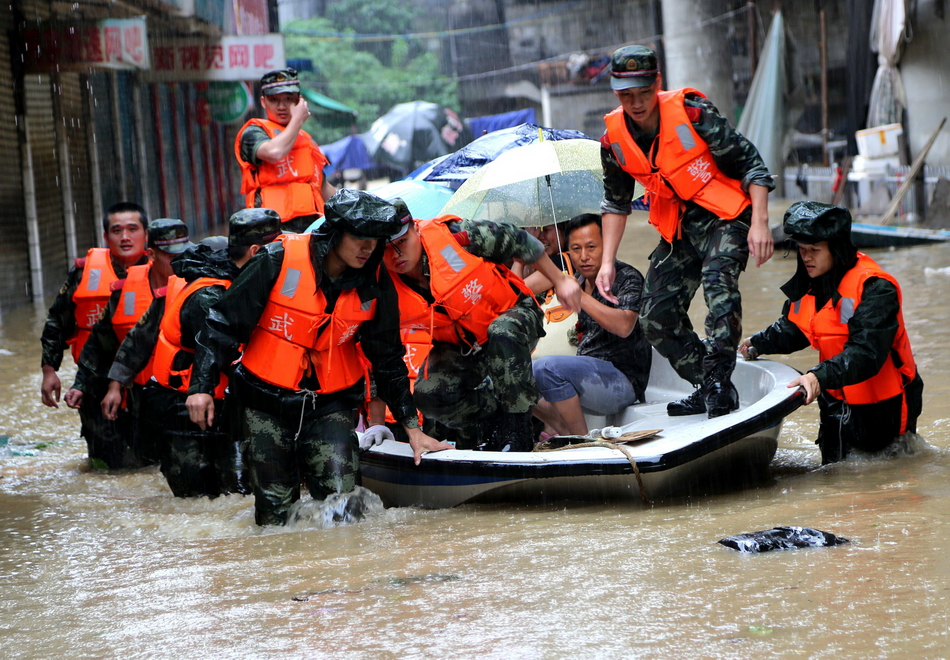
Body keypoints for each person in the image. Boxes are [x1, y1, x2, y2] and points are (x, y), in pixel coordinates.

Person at [184, 190, 451, 526]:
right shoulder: (275, 259)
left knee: (344, 508)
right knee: (275, 518)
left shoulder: (376, 281)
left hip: (330, 404)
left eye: (375, 240)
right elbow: (222, 325)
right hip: (265, 401)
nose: (368, 248)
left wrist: (411, 426)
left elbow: (387, 358)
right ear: (336, 232)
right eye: (359, 237)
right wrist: (201, 387)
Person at [595, 45, 775, 419]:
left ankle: (721, 386)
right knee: (654, 316)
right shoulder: (613, 141)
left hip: (725, 216)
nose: (637, 103)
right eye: (627, 96)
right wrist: (606, 263)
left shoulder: (693, 112)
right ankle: (706, 384)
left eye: (644, 93)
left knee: (719, 291)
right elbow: (616, 203)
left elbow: (752, 164)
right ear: (616, 93)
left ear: (657, 83)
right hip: (678, 228)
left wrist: (760, 223)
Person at [101, 209, 282, 498]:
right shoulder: (207, 296)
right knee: (196, 495)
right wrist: (116, 383)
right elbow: (140, 339)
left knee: (232, 491)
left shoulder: (234, 286)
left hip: (216, 404)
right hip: (182, 407)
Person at [381, 206, 582, 450]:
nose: (397, 253)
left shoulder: (456, 235)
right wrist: (377, 424)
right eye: (386, 247)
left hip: (513, 317)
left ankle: (518, 431)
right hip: (464, 345)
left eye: (403, 241)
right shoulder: (381, 284)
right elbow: (380, 354)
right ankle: (499, 421)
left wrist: (560, 280)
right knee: (429, 393)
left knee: (502, 331)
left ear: (415, 229)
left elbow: (519, 239)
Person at [739, 202, 923, 464]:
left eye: (814, 250)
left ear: (837, 250)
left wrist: (818, 376)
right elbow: (796, 328)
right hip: (835, 402)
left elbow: (866, 353)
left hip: (883, 409)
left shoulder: (876, 288)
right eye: (801, 250)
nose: (806, 257)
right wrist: (755, 343)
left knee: (885, 482)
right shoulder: (810, 283)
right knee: (834, 476)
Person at [65, 218, 191, 469]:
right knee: (140, 466)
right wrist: (82, 385)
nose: (179, 262)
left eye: (184, 254)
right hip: (140, 397)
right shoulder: (125, 291)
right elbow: (99, 343)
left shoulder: (198, 286)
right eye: (170, 256)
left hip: (185, 396)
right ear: (152, 254)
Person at [39, 202, 149, 466]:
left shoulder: (165, 271)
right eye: (117, 230)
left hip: (148, 384)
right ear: (105, 237)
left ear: (146, 234)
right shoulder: (83, 274)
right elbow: (57, 320)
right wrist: (49, 369)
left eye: (133, 229)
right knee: (105, 463)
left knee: (150, 460)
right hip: (95, 381)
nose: (125, 237)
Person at [532, 214, 652, 436]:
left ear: (607, 245)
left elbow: (625, 326)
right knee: (516, 376)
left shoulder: (627, 277)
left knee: (546, 367)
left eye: (591, 247)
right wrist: (522, 260)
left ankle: (582, 441)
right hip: (586, 376)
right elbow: (519, 290)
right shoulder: (575, 278)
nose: (584, 257)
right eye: (576, 249)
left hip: (621, 382)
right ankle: (565, 431)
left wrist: (579, 296)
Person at [234, 68, 337, 233]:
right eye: (274, 99)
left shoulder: (306, 140)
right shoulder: (253, 132)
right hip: (270, 234)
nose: (281, 106)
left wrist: (355, 205)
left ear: (299, 101)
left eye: (288, 99)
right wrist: (297, 119)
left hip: (311, 231)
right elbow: (274, 153)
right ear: (263, 102)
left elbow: (324, 188)